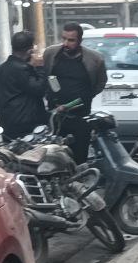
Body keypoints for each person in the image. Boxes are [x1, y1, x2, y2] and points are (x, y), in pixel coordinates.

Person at [39, 22, 108, 163]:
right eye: (63, 38)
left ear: (80, 41)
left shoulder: (95, 59)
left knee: (79, 158)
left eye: (71, 40)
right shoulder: (51, 54)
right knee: (54, 158)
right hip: (55, 116)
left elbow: (99, 84)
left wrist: (83, 99)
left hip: (80, 117)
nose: (66, 43)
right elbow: (46, 77)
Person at [0, 31, 49, 140]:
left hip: (7, 126)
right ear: (29, 51)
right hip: (26, 127)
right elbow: (39, 89)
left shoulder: (0, 69)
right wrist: (40, 67)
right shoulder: (22, 69)